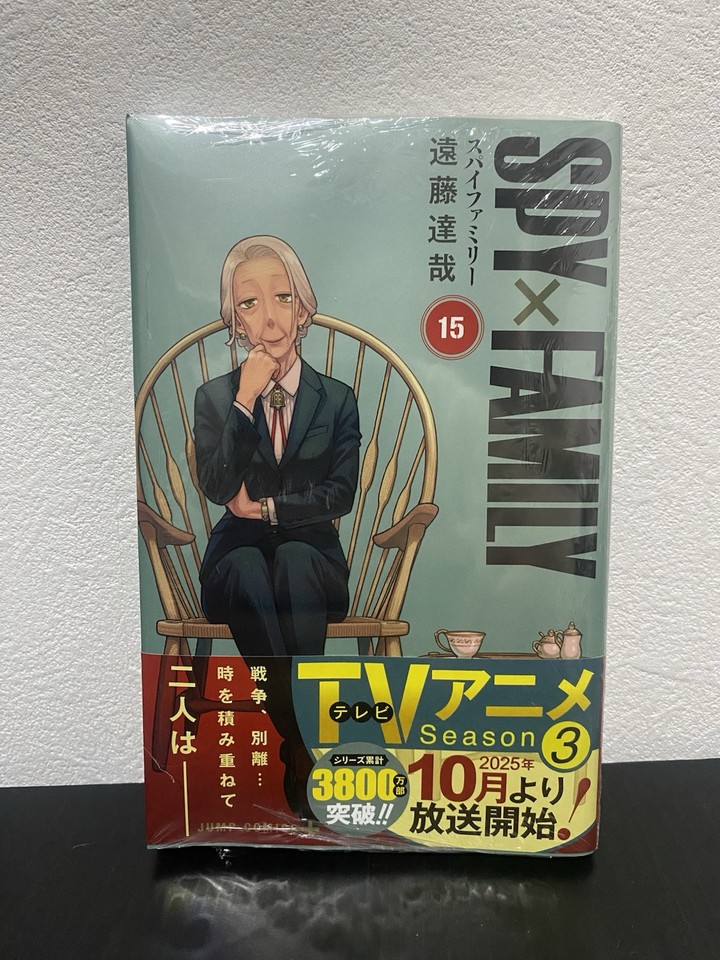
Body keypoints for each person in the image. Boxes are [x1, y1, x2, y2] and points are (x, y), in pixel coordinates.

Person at [193, 235, 361, 817]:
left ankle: (294, 741)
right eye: (249, 303)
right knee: (246, 564)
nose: (269, 318)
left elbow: (341, 493)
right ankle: (304, 739)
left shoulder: (336, 399)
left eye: (282, 297)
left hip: (313, 561)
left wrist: (267, 510)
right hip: (234, 563)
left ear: (303, 309)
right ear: (235, 322)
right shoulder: (215, 397)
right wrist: (243, 400)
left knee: (292, 558)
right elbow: (217, 486)